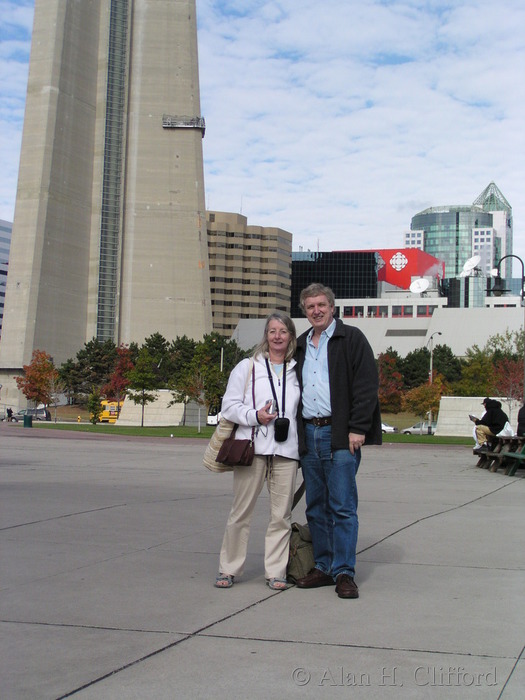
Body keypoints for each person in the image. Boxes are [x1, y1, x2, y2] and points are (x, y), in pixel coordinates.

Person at [294, 283, 382, 599]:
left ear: (332, 307)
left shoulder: (351, 338)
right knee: (316, 507)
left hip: (341, 435)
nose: (316, 311)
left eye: (321, 305)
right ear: (305, 311)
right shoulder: (301, 344)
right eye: (310, 307)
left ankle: (344, 571)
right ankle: (324, 565)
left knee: (342, 506)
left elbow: (367, 385)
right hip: (309, 434)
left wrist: (358, 427)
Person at [215, 312, 301, 591]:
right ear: (266, 335)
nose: (277, 336)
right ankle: (229, 568)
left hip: (286, 450)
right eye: (272, 331)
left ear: (290, 336)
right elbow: (228, 407)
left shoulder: (298, 369)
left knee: (281, 515)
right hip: (251, 447)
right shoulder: (248, 367)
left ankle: (276, 571)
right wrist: (254, 415)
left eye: (283, 331)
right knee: (241, 512)